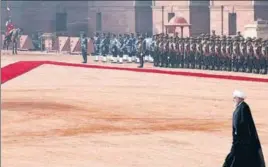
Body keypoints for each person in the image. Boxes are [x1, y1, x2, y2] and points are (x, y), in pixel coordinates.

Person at [222, 90, 266, 167]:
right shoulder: (242, 107)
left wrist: (238, 136)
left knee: (233, 160)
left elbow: (242, 124)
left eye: (235, 98)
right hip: (241, 142)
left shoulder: (243, 108)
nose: (234, 100)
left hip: (241, 142)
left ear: (239, 98)